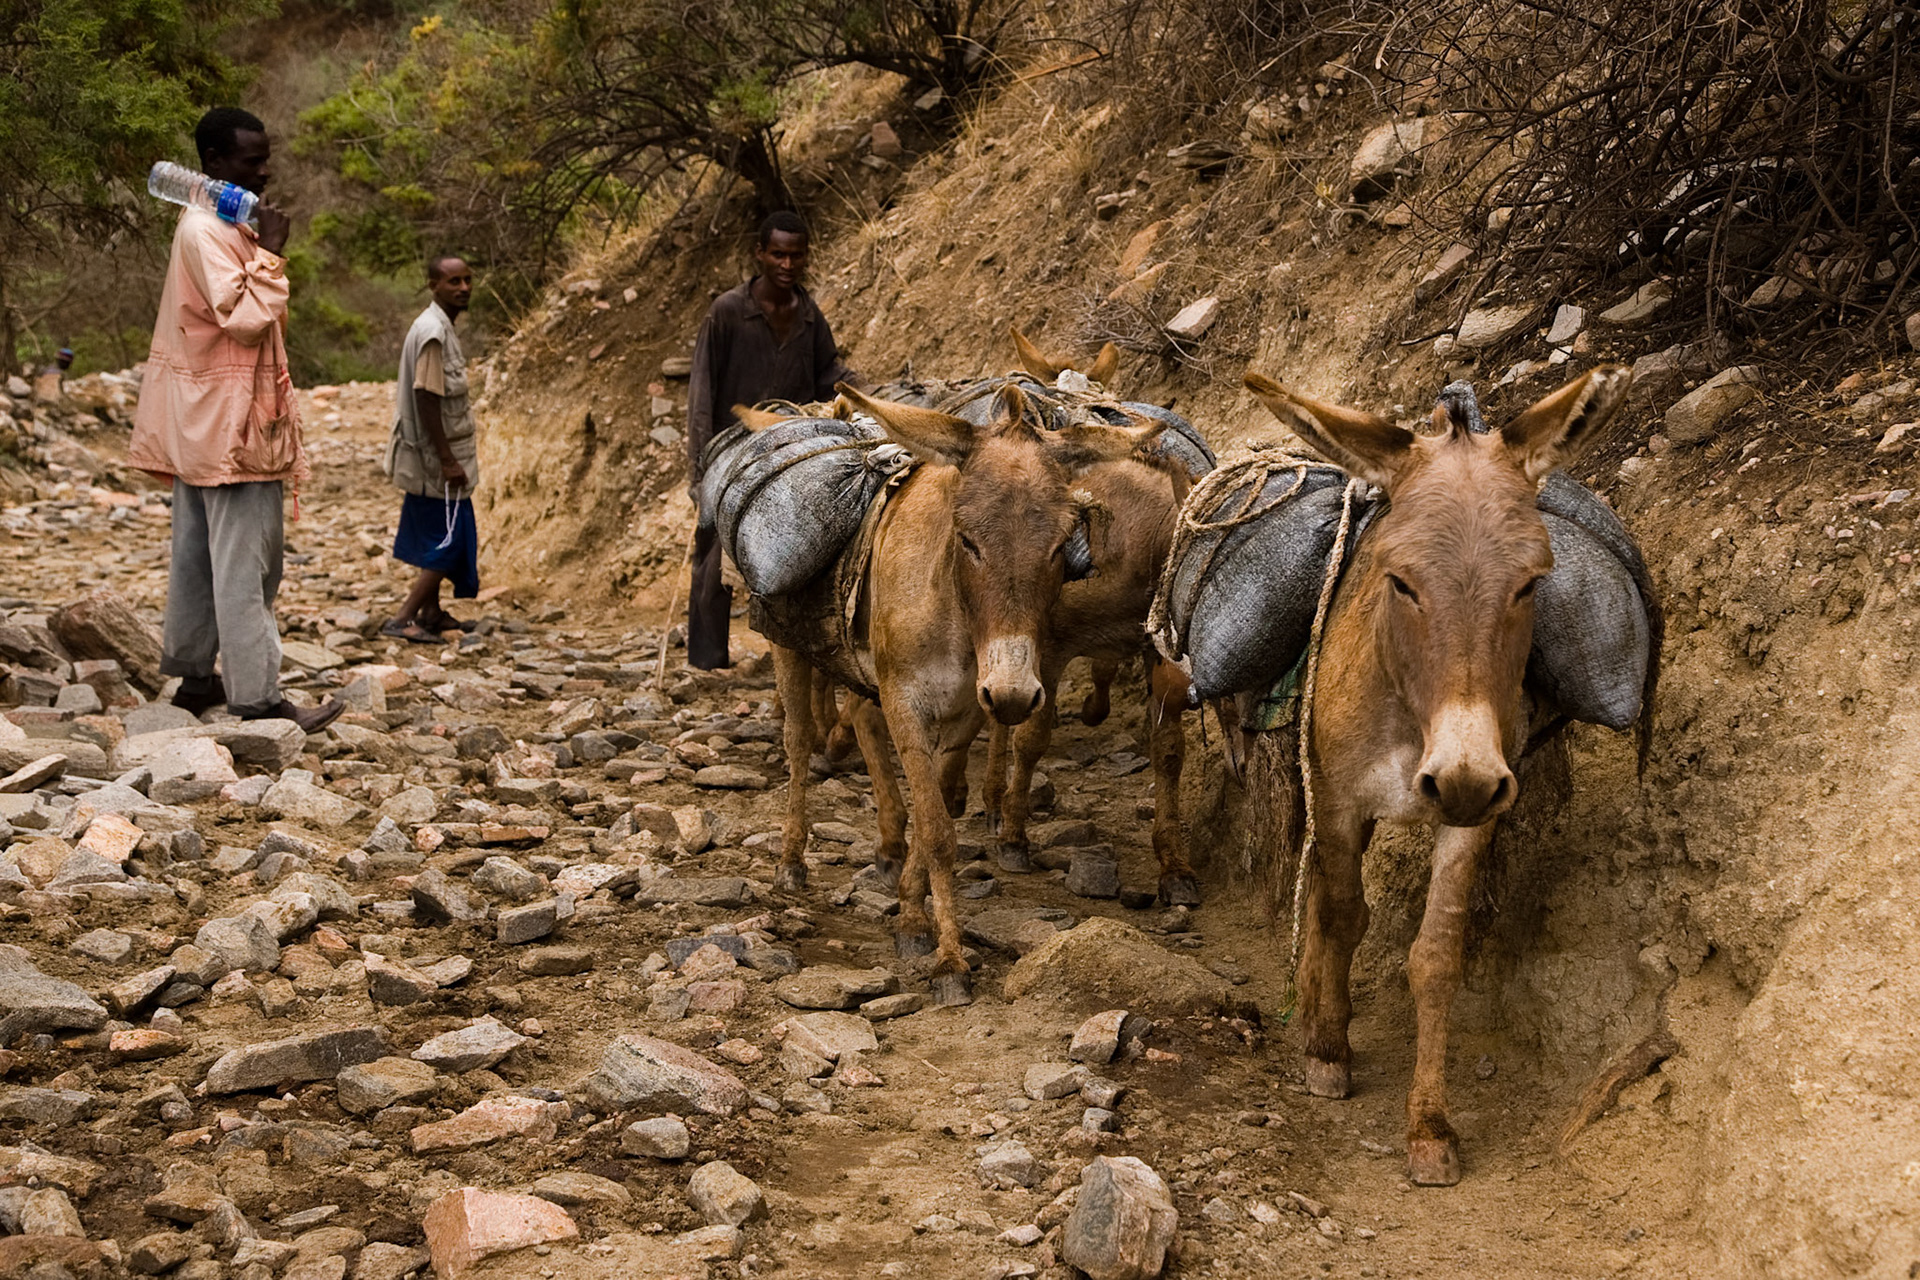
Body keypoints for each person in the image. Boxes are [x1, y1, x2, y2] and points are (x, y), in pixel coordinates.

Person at [129, 107, 342, 732]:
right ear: (213, 164)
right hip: (231, 428)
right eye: (250, 159)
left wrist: (258, 246)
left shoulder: (218, 222)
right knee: (249, 564)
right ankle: (258, 698)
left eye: (264, 156)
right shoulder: (203, 230)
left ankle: (197, 680)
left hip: (205, 425)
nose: (263, 170)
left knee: (198, 555)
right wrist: (272, 255)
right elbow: (247, 320)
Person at [685, 210, 851, 670]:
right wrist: (699, 468)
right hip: (731, 453)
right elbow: (701, 392)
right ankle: (708, 661)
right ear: (760, 254)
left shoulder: (809, 314)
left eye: (796, 255)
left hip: (790, 450)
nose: (787, 263)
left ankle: (798, 659)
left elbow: (827, 373)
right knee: (714, 560)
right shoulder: (727, 312)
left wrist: (863, 394)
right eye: (778, 253)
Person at [382, 254, 482, 643]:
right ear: (433, 286)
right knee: (450, 537)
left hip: (436, 457)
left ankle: (431, 611)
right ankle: (402, 617)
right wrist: (446, 459)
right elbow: (426, 396)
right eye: (453, 282)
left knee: (442, 531)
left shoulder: (440, 326)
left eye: (467, 280)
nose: (463, 288)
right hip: (433, 459)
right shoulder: (432, 333)